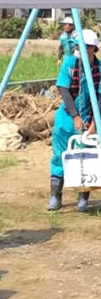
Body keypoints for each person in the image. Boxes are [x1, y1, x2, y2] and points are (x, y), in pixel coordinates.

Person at [49, 29, 100, 212]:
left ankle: (83, 197)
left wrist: (94, 123)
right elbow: (64, 90)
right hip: (67, 116)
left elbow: (100, 98)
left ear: (93, 48)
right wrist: (75, 116)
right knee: (60, 155)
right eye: (78, 46)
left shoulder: (99, 69)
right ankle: (55, 195)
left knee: (87, 157)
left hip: (91, 117)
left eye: (85, 47)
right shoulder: (70, 63)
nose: (80, 50)